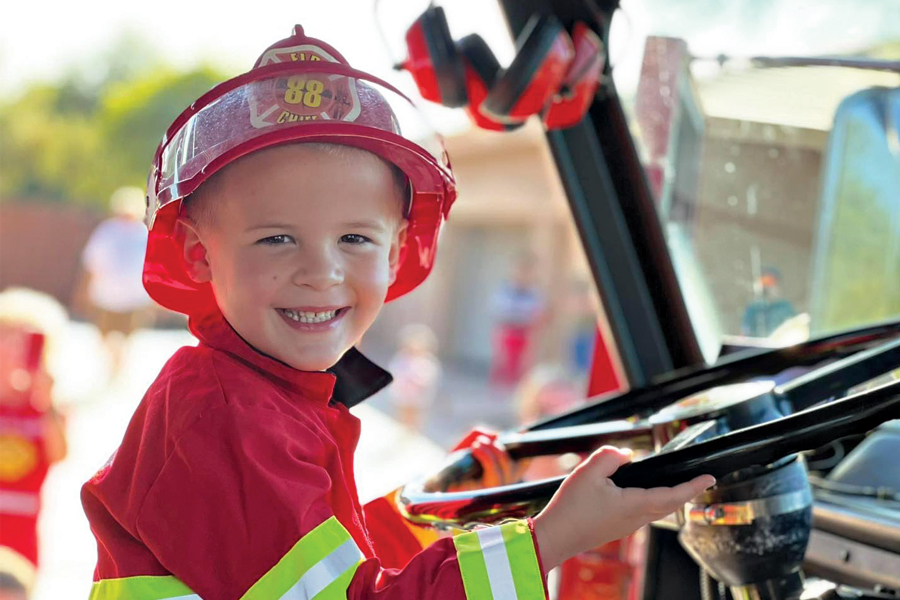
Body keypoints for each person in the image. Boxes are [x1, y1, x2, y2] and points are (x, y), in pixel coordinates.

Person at [80, 26, 714, 600]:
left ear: (395, 252)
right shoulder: (224, 415)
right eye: (276, 238)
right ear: (200, 254)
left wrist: (458, 492)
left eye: (355, 239)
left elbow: (332, 564)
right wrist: (551, 539)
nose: (322, 272)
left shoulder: (262, 395)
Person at [0, 288, 69, 597]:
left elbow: (60, 454)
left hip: (22, 532)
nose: (13, 349)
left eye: (25, 340)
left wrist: (46, 401)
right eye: (7, 337)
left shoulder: (46, 405)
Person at [79, 186, 155, 377]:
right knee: (104, 334)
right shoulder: (107, 231)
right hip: (107, 296)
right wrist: (86, 289)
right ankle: (112, 364)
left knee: (127, 336)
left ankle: (119, 367)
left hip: (133, 297)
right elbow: (92, 262)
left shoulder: (143, 234)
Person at [490, 255, 546, 386]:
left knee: (521, 367)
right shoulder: (505, 289)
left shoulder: (534, 292)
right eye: (520, 269)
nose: (523, 274)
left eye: (527, 270)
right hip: (507, 330)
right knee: (502, 364)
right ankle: (499, 388)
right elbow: (496, 309)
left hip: (525, 333)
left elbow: (539, 313)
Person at [388, 323, 441, 432]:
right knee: (402, 414)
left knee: (415, 416)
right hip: (403, 394)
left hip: (418, 396)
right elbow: (395, 371)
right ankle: (402, 430)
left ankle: (413, 431)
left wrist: (420, 381)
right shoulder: (402, 358)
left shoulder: (427, 361)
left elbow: (430, 375)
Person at [741, 267, 798, 338]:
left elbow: (794, 329)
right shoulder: (754, 308)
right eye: (763, 282)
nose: (767, 287)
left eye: (770, 282)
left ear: (778, 285)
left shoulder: (785, 307)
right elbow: (746, 333)